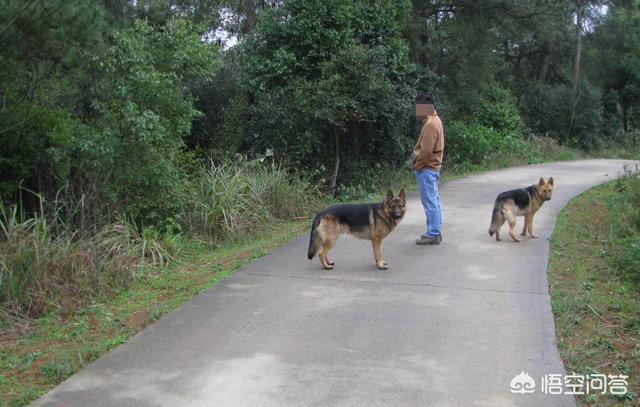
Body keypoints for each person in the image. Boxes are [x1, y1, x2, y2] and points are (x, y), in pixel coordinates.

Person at [412, 92, 444, 245]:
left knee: (430, 201)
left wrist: (418, 166)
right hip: (432, 168)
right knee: (434, 200)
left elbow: (426, 151)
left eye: (419, 107)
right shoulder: (436, 120)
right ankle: (435, 232)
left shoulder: (431, 124)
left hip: (427, 168)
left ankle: (433, 233)